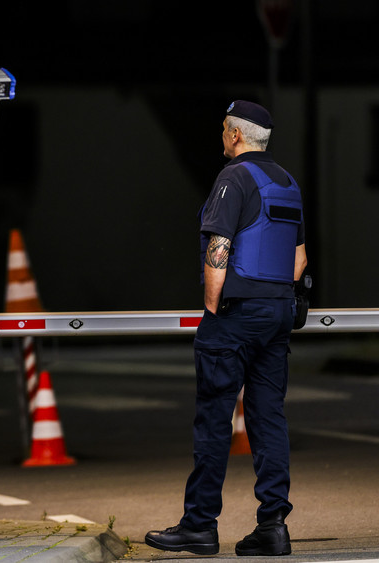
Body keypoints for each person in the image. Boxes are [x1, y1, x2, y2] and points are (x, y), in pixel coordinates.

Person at [145, 100, 308, 557]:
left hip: (236, 314)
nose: (221, 137)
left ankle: (199, 525)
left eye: (223, 130)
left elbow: (219, 247)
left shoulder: (233, 179)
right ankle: (273, 526)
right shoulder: (288, 184)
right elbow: (299, 259)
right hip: (278, 311)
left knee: (215, 419)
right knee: (268, 417)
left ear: (235, 135)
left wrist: (214, 311)